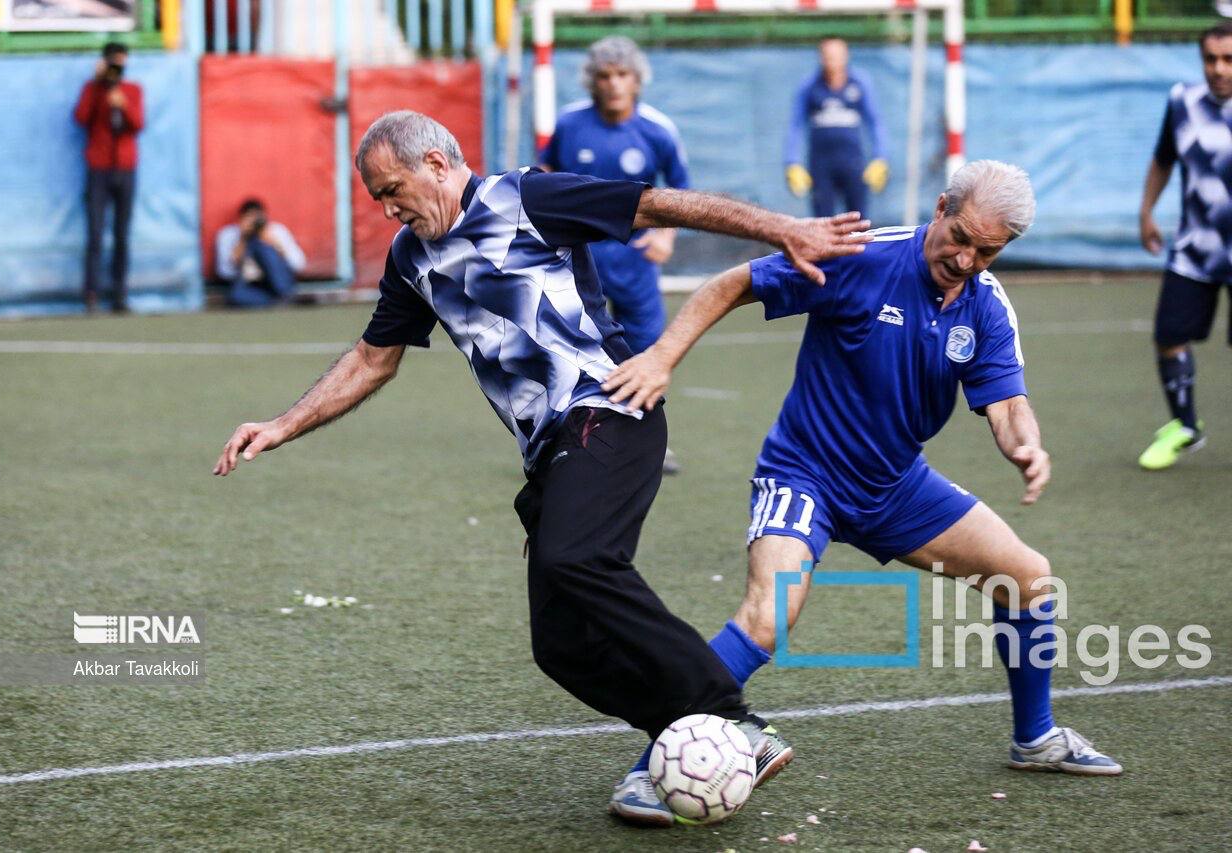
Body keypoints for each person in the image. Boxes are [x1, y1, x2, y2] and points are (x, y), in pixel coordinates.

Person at [212, 110, 870, 823]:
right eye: (375, 197)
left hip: (613, 407)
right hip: (552, 452)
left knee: (573, 556)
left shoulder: (526, 199)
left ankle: (729, 715)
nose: (387, 206)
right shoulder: (411, 258)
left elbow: (658, 203)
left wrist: (785, 229)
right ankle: (686, 731)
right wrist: (281, 423)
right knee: (560, 645)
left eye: (391, 187)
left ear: (436, 163)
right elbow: (374, 360)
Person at [603, 160, 1122, 824]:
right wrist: (661, 357)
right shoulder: (860, 256)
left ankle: (1037, 736)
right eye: (959, 235)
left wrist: (1025, 441)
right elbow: (734, 283)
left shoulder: (987, 305)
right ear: (940, 208)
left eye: (985, 250)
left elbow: (1008, 402)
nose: (964, 258)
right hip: (805, 473)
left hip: (894, 485)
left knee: (1028, 578)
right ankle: (653, 764)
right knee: (767, 616)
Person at [540, 37, 689, 472]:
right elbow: (545, 177)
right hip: (577, 258)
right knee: (568, 349)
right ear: (592, 81)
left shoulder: (657, 130)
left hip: (635, 259)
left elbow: (680, 189)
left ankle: (650, 441)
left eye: (622, 74)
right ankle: (563, 440)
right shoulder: (569, 125)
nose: (614, 84)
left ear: (637, 79)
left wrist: (667, 236)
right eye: (604, 76)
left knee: (644, 350)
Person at [1136, 21, 1232, 470]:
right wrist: (1146, 211)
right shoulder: (1182, 102)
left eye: (1228, 59)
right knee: (1168, 336)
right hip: (1196, 249)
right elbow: (1162, 160)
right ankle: (1185, 426)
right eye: (1211, 59)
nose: (1218, 68)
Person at [783, 37, 888, 220]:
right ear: (820, 57)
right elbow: (796, 125)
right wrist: (792, 162)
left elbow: (875, 121)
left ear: (846, 56)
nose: (832, 60)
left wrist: (880, 157)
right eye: (828, 55)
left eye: (837, 55)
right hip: (822, 166)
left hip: (853, 164)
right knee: (822, 224)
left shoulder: (859, 83)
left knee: (858, 223)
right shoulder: (809, 87)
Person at [74, 42, 144, 314]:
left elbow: (138, 124)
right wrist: (98, 85)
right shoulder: (92, 90)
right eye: (114, 62)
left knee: (122, 234)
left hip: (125, 169)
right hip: (99, 168)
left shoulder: (132, 91)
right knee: (95, 233)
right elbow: (81, 118)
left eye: (122, 62)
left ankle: (119, 294)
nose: (118, 67)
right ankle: (91, 294)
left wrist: (123, 105)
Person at [215, 198, 307, 307]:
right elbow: (225, 272)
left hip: (278, 281)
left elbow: (299, 264)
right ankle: (279, 302)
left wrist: (274, 244)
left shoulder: (276, 231)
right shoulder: (229, 235)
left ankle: (283, 296)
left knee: (264, 249)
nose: (254, 224)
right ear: (240, 219)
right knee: (236, 296)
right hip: (251, 284)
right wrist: (243, 239)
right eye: (250, 219)